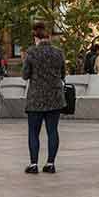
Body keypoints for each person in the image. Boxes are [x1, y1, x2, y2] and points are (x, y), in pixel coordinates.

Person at [22, 23, 66, 174]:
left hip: (36, 98)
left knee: (33, 132)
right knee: (52, 131)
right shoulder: (58, 52)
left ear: (36, 38)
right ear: (48, 37)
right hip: (54, 97)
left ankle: (33, 164)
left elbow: (25, 75)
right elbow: (63, 74)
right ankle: (50, 163)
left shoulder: (31, 52)